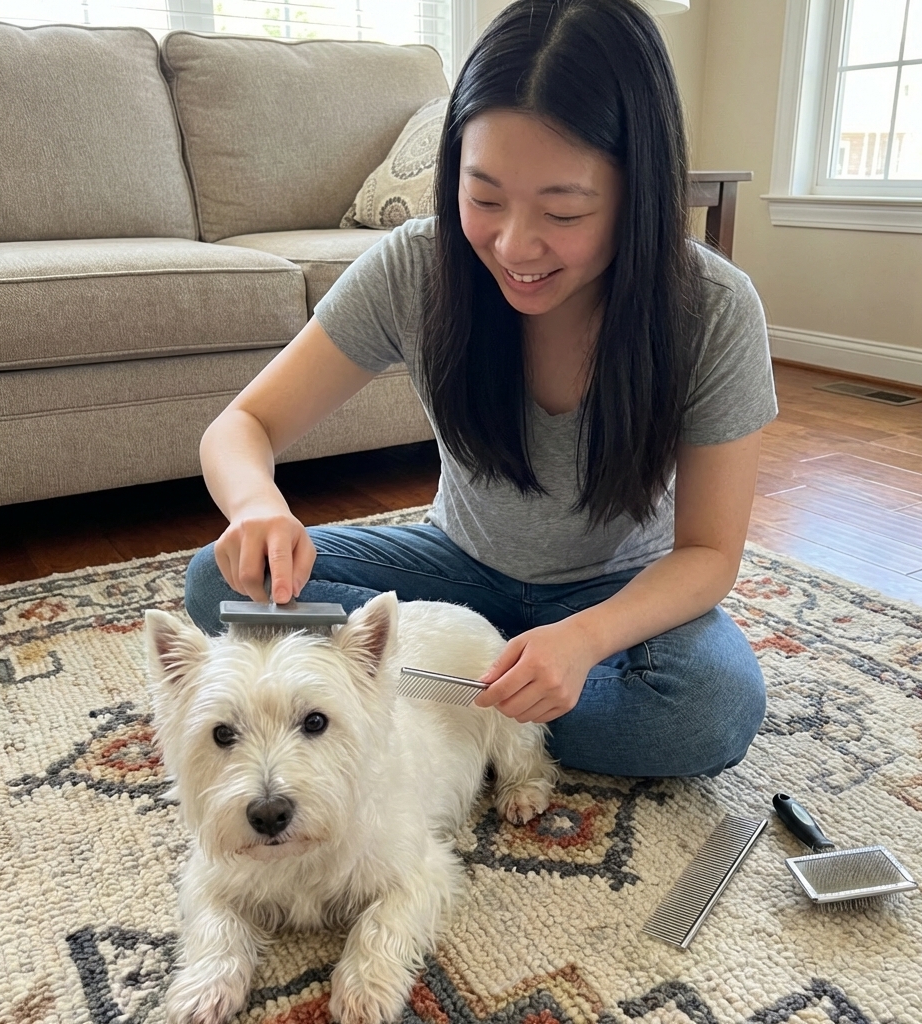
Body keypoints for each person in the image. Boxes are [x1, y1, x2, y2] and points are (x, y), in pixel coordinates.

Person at [185, 0, 778, 779]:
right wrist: (259, 508)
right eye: (485, 198)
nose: (514, 245)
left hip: (614, 593)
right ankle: (484, 700)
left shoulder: (713, 307)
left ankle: (443, 702)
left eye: (563, 210)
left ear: (640, 195)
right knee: (216, 584)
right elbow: (243, 425)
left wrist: (587, 639)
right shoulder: (418, 266)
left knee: (708, 710)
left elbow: (707, 552)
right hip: (452, 570)